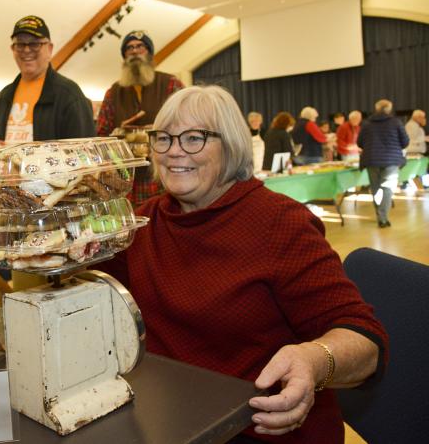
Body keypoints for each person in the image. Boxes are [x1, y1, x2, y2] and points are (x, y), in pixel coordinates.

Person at [94, 85, 387, 443]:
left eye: (193, 138)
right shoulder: (143, 224)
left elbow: (364, 339)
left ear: (231, 144)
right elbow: (82, 293)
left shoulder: (280, 223)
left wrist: (314, 359)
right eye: (164, 139)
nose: (173, 152)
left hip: (259, 429)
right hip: (170, 422)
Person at [96, 30, 184, 204]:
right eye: (129, 48)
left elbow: (186, 125)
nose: (135, 51)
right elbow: (101, 136)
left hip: (163, 176)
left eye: (140, 47)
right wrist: (119, 133)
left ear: (150, 54)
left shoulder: (170, 84)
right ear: (124, 56)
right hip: (126, 180)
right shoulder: (113, 92)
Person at [0, 15, 95, 143]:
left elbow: (85, 152)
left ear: (49, 48)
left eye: (35, 44)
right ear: (13, 49)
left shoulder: (69, 95)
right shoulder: (3, 98)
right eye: (20, 44)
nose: (26, 50)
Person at [357, 99, 409, 228]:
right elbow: (405, 142)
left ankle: (380, 216)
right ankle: (383, 217)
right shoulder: (396, 122)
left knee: (375, 188)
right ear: (389, 109)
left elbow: (359, 142)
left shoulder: (367, 123)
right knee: (387, 188)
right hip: (391, 160)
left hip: (371, 159)